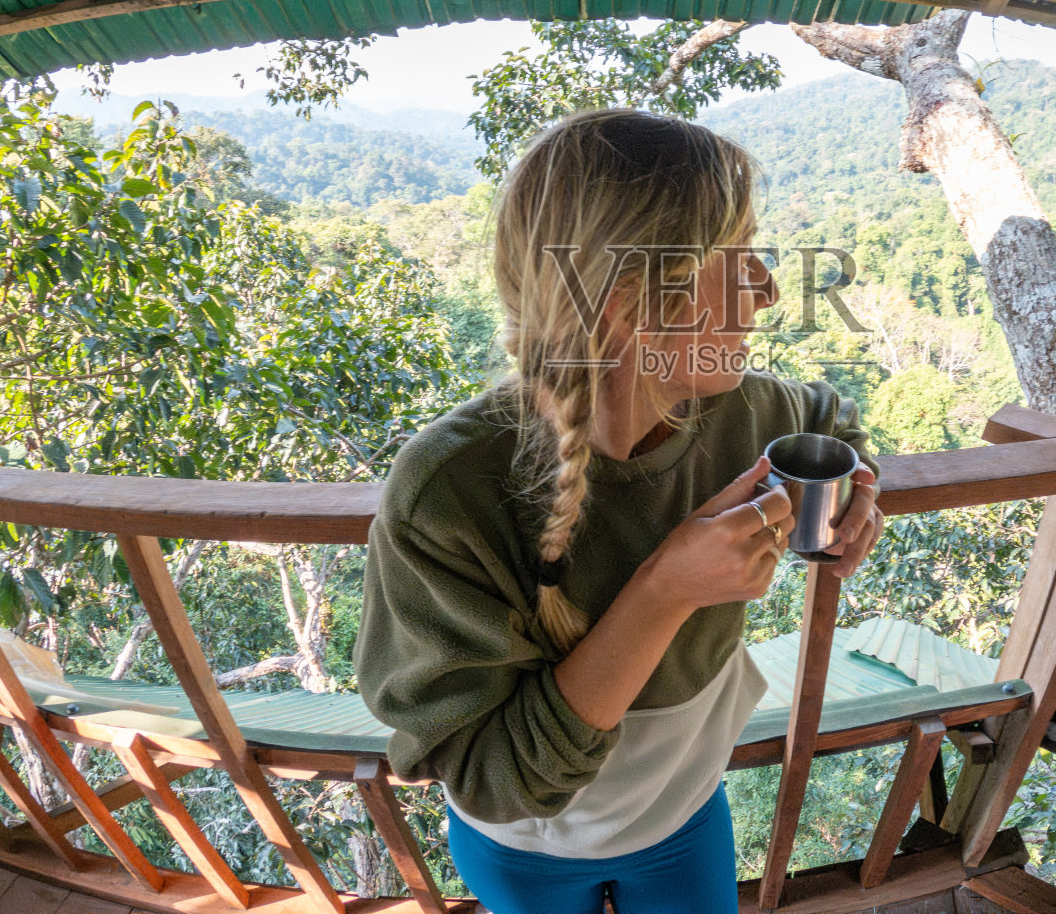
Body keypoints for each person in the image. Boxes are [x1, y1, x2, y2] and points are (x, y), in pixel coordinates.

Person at [354, 108, 883, 913]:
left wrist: (860, 494)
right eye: (740, 260)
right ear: (629, 300)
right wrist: (666, 590)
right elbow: (495, 777)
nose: (772, 291)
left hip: (683, 810)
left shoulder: (745, 414)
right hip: (528, 846)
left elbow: (830, 419)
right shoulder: (450, 491)